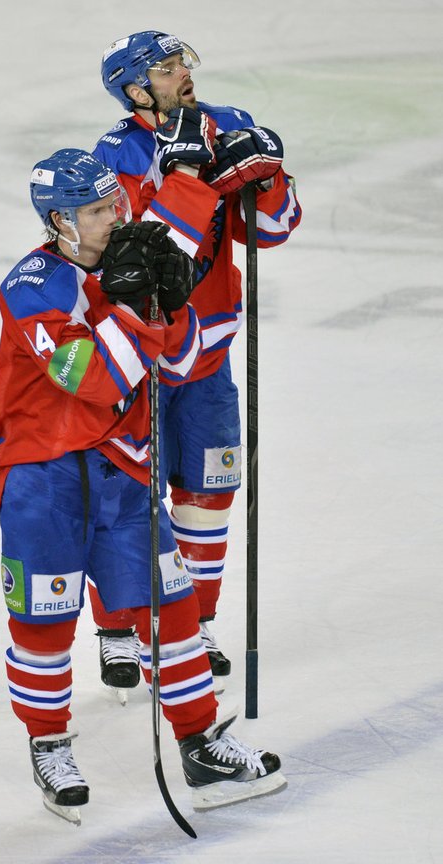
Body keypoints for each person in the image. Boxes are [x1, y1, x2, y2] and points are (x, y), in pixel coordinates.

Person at [0, 147, 286, 824]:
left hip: (125, 471)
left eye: (112, 202)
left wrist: (170, 302)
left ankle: (202, 745)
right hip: (44, 480)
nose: (114, 216)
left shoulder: (133, 261)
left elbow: (180, 363)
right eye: (96, 211)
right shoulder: (32, 286)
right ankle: (50, 746)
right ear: (59, 221)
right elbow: (91, 379)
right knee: (42, 625)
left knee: (172, 612)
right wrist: (137, 310)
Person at [88, 31, 303, 693]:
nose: (183, 73)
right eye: (165, 67)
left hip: (209, 355)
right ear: (133, 90)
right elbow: (140, 263)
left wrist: (266, 180)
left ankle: (196, 621)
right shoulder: (114, 155)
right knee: (130, 502)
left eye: (184, 62)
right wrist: (188, 177)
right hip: (143, 359)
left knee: (210, 493)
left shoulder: (226, 126)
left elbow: (274, 229)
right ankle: (119, 627)